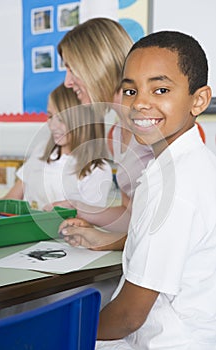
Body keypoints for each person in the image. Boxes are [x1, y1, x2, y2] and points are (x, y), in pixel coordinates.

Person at [59, 31, 216, 349]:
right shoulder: (179, 166)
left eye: (160, 89)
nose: (140, 102)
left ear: (198, 100)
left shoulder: (176, 186)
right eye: (130, 90)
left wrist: (68, 335)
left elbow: (130, 316)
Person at [45, 17, 154, 233]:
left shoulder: (152, 124)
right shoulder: (115, 136)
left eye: (72, 69)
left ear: (96, 65)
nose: (67, 82)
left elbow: (162, 224)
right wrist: (78, 208)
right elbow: (131, 217)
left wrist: (102, 241)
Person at [3, 83, 112, 210]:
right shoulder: (42, 151)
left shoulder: (98, 170)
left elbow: (86, 223)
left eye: (61, 119)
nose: (52, 126)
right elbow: (10, 200)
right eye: (50, 116)